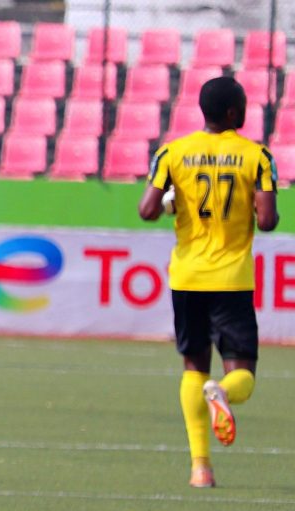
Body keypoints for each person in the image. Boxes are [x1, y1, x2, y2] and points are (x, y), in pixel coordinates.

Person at [138, 76, 280, 489]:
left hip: (187, 276)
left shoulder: (172, 152)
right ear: (234, 113)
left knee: (192, 367)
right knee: (243, 374)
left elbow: (147, 210)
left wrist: (170, 203)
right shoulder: (256, 156)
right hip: (231, 279)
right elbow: (268, 221)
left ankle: (200, 468)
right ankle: (224, 392)